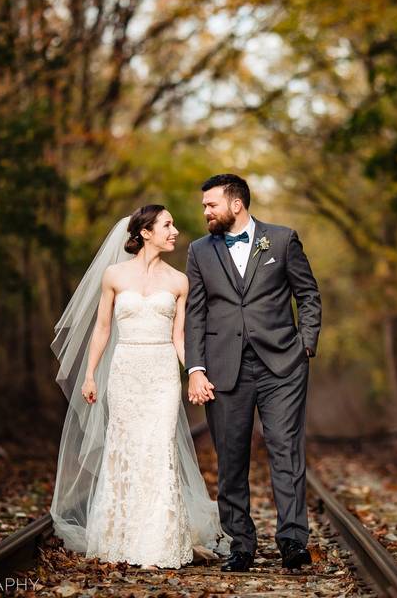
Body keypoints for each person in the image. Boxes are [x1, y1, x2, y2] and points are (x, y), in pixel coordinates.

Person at [49, 205, 231, 568]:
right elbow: (102, 328)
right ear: (145, 232)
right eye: (167, 224)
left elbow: (180, 337)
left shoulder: (179, 281)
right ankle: (122, 537)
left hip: (162, 373)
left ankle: (157, 542)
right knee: (125, 450)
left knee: (158, 449)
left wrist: (195, 372)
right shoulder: (114, 275)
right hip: (125, 370)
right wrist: (89, 373)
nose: (175, 230)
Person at [185, 174, 322, 572]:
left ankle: (293, 541)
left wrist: (305, 345)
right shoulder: (199, 251)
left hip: (282, 366)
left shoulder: (281, 240)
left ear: (236, 204)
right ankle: (240, 544)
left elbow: (308, 294)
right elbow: (195, 314)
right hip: (224, 369)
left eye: (211, 204)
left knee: (286, 452)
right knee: (230, 459)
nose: (206, 212)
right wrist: (196, 367)